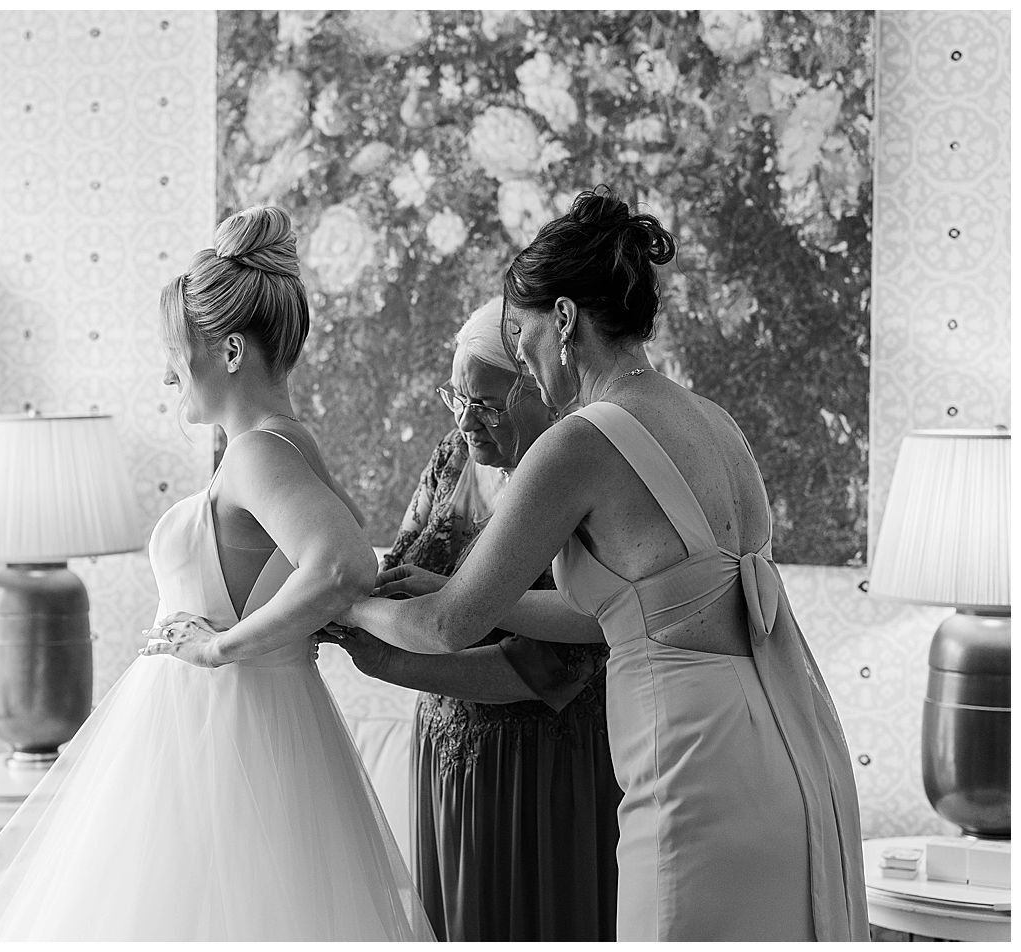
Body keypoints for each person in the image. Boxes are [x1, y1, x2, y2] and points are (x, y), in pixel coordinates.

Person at [345, 188, 865, 940]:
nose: (520, 351)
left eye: (521, 329)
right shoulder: (713, 422)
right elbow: (626, 610)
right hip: (788, 750)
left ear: (562, 319)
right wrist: (463, 589)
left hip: (688, 766)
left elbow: (447, 626)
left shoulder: (580, 441)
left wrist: (348, 600)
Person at [0, 207, 433, 941]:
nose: (165, 372)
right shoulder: (286, 446)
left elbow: (343, 567)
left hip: (222, 739)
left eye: (173, 350)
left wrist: (221, 649)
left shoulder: (260, 453)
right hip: (235, 736)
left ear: (227, 351)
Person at [325, 298, 620, 940]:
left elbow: (559, 669)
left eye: (486, 404)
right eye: (454, 398)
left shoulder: (576, 478)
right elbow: (399, 572)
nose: (465, 420)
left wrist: (397, 659)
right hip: (444, 751)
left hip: (540, 765)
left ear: (545, 392)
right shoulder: (453, 460)